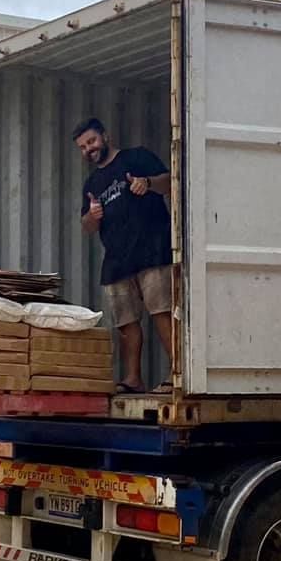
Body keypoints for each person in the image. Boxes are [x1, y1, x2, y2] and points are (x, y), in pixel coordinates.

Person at [75, 117, 173, 394]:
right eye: (82, 147)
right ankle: (133, 379)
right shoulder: (92, 183)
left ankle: (177, 374)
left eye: (91, 141)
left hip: (152, 250)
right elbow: (86, 226)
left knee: (161, 312)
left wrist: (147, 183)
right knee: (126, 323)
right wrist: (92, 216)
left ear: (106, 136)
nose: (88, 150)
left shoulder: (137, 157)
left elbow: (169, 182)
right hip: (117, 261)